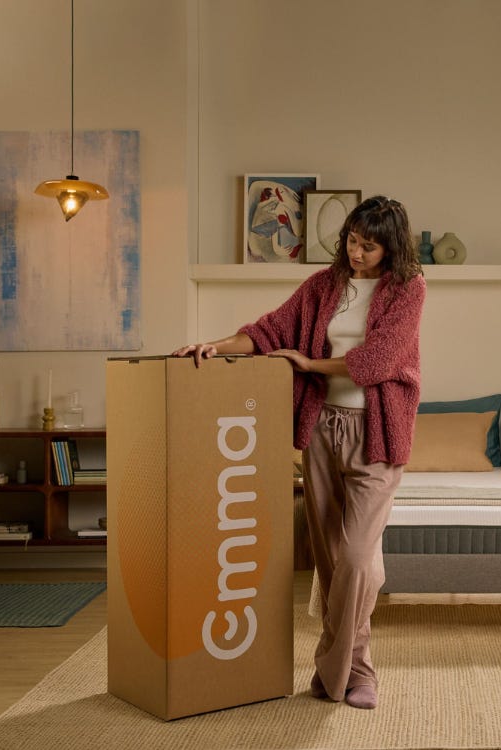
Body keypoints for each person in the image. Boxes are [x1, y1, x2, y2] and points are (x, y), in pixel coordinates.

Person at [173, 195, 425, 710]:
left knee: (359, 560)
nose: (357, 253)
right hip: (320, 433)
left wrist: (310, 366)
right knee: (333, 562)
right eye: (352, 240)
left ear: (391, 248)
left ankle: (334, 668)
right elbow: (270, 332)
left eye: (369, 246)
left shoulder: (408, 290)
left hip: (377, 435)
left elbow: (374, 362)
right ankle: (358, 674)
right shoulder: (323, 286)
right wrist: (214, 347)